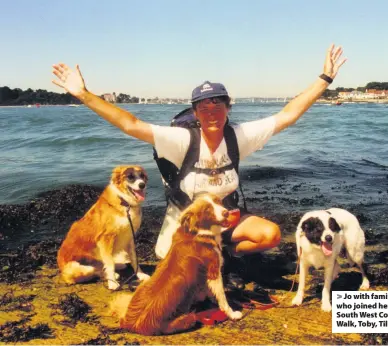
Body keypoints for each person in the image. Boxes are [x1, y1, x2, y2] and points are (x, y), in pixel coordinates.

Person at [52, 44, 346, 272]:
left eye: (218, 105)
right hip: (186, 223)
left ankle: (224, 252)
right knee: (178, 264)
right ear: (195, 113)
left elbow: (287, 116)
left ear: (229, 108)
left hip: (226, 219)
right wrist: (83, 94)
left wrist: (325, 78)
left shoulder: (238, 137)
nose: (211, 112)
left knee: (270, 235)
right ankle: (207, 253)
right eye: (203, 107)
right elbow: (131, 124)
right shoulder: (182, 140)